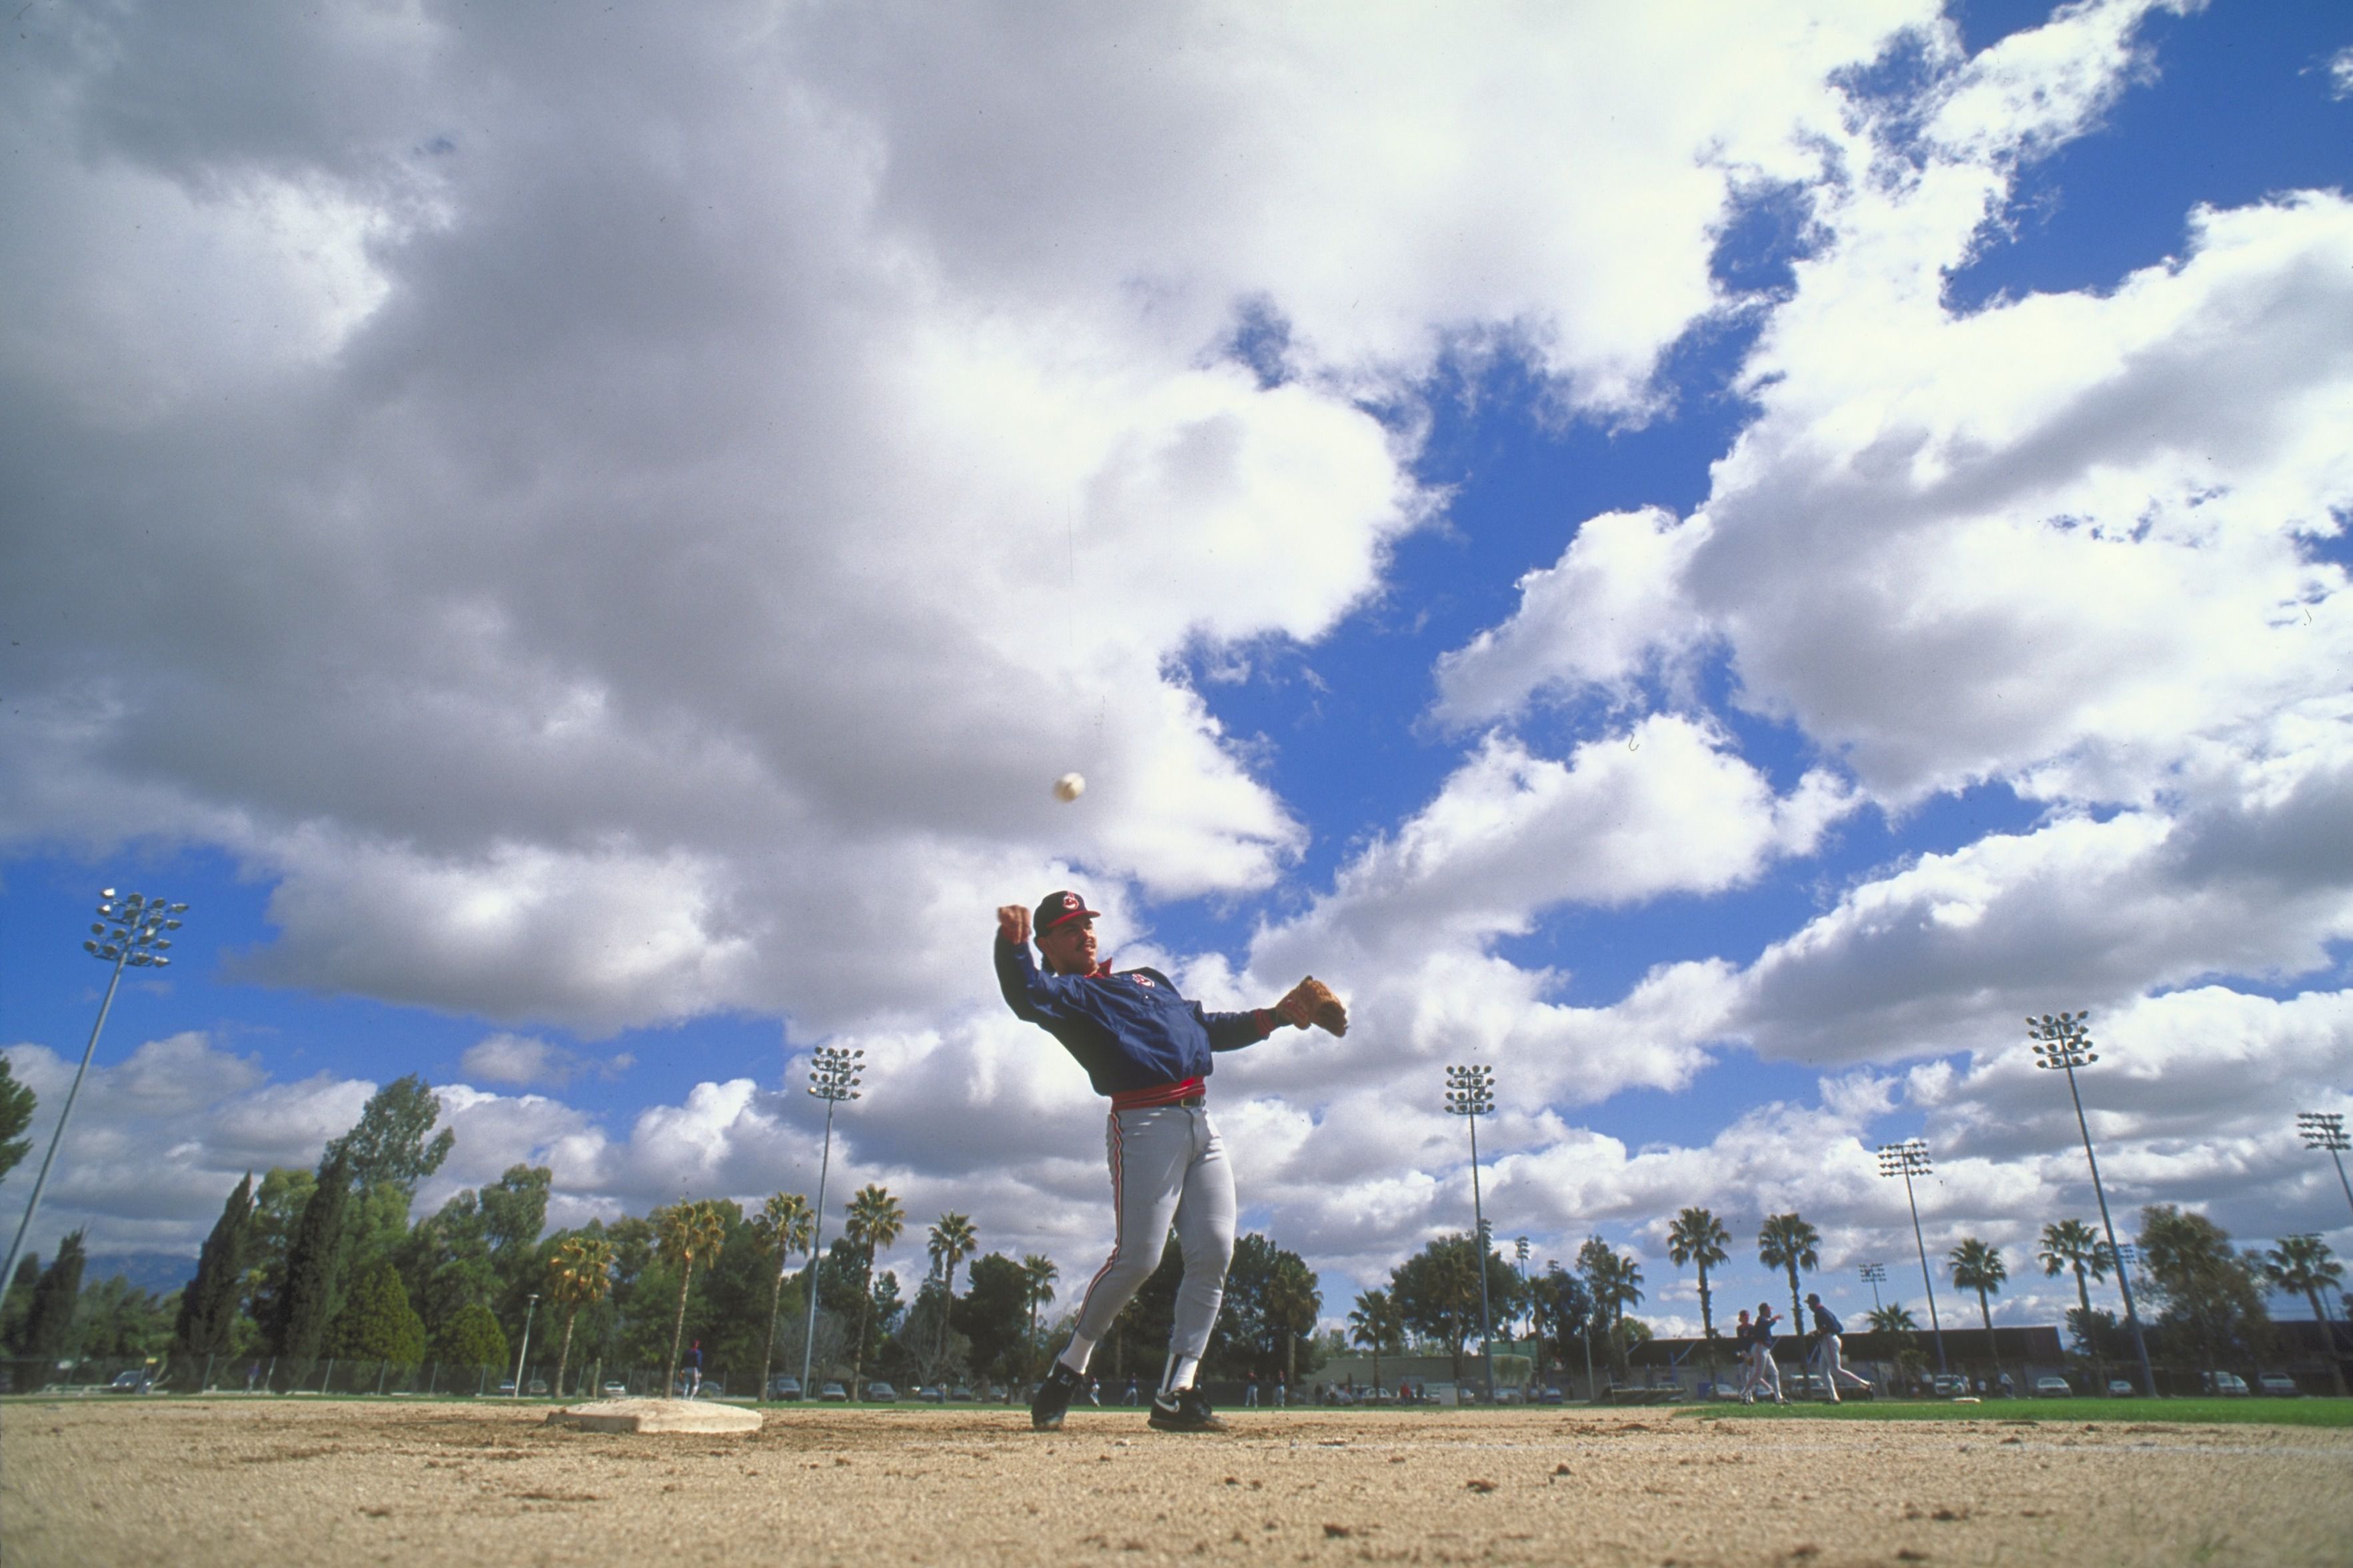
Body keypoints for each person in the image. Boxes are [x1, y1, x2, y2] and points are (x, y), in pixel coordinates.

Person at [997, 890, 1346, 1434]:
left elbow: (1204, 1028)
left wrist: (1276, 1016)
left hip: (1201, 1122)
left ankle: (1176, 1390)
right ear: (1047, 944)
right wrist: (1011, 947)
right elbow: (1024, 996)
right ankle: (1070, 1367)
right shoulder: (1066, 995)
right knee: (1138, 1259)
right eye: (1069, 929)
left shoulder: (1147, 978)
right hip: (1142, 1125)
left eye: (1087, 923)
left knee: (1214, 1253)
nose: (1085, 933)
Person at [1803, 1292, 1872, 1403]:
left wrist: (1817, 1332)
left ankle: (1866, 1384)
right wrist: (1818, 1332)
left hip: (1829, 1340)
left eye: (1809, 1303)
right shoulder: (1823, 1312)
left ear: (1813, 1303)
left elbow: (1833, 1327)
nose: (1809, 1306)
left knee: (1836, 1370)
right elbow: (1839, 1327)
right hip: (1828, 1341)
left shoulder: (1821, 1312)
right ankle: (1834, 1397)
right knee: (1823, 1371)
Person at [1749, 1303, 1787, 1405]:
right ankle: (1745, 1393)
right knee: (1758, 1375)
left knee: (1775, 1373)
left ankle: (1779, 1398)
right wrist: (1776, 1318)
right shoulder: (1761, 1319)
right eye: (1769, 1310)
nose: (1770, 1312)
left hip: (1766, 1349)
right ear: (1764, 1311)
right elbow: (1767, 1324)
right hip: (1760, 1348)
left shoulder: (1763, 1320)